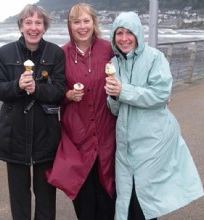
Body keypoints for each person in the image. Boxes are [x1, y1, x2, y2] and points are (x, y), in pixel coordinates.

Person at [105, 11, 204, 220]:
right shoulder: (114, 64)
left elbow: (160, 94)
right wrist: (113, 97)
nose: (124, 38)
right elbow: (115, 109)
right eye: (119, 33)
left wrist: (123, 91)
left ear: (138, 34)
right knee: (127, 199)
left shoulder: (154, 57)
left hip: (153, 140)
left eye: (129, 33)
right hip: (125, 143)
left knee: (146, 200)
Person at [0, 4, 66, 220]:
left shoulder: (55, 53)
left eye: (38, 23)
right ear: (21, 26)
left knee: (45, 195)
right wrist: (17, 86)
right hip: (13, 134)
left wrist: (37, 88)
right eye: (28, 22)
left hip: (45, 135)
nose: (33, 27)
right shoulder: (4, 53)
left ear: (45, 27)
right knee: (18, 195)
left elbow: (59, 92)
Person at [46, 3, 116, 220]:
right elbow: (52, 91)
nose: (82, 26)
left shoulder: (109, 49)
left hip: (107, 135)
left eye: (86, 21)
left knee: (107, 198)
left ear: (94, 23)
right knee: (84, 201)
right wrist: (67, 95)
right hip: (77, 137)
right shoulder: (60, 54)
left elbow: (131, 74)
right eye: (77, 21)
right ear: (70, 25)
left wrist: (158, 93)